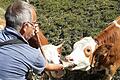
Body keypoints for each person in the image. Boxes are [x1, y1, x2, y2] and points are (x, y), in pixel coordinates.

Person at [0, 0, 63, 80]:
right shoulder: (32, 54)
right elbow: (50, 67)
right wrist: (63, 65)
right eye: (34, 24)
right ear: (25, 27)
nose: (36, 28)